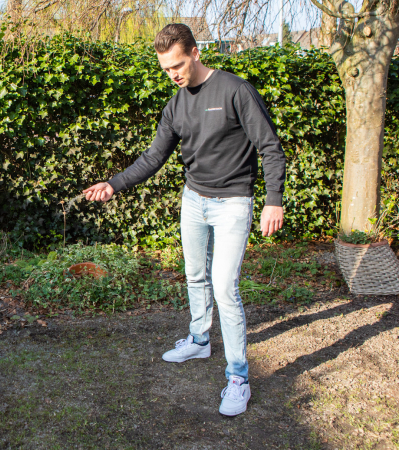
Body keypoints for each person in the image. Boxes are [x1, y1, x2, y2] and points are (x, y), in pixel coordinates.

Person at [82, 23, 286, 417]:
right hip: (193, 201)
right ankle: (199, 338)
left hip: (232, 203)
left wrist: (272, 200)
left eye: (177, 65)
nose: (173, 74)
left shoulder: (234, 90)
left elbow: (270, 148)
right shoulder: (176, 104)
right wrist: (113, 184)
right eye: (165, 69)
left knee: (225, 288)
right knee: (195, 275)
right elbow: (153, 157)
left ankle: (238, 377)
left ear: (194, 52)